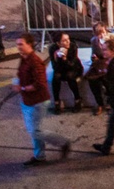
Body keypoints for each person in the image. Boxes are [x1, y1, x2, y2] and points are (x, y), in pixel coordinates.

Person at [14, 33, 73, 166]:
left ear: (29, 44)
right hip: (27, 101)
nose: (18, 47)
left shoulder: (35, 62)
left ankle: (63, 142)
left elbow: (40, 83)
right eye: (17, 44)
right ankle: (39, 156)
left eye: (20, 44)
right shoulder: (24, 58)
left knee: (35, 131)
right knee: (34, 130)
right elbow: (21, 74)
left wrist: (22, 88)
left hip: (37, 101)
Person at [48, 33, 84, 113]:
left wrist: (64, 59)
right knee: (56, 77)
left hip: (73, 68)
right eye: (64, 40)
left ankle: (77, 100)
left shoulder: (73, 47)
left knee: (70, 76)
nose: (68, 42)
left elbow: (73, 65)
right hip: (60, 68)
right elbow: (54, 67)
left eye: (68, 39)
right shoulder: (53, 49)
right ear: (58, 43)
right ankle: (57, 101)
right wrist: (56, 57)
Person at [85, 22, 112, 115]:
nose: (101, 35)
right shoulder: (94, 41)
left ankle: (110, 103)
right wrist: (93, 58)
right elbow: (94, 54)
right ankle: (99, 103)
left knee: (107, 80)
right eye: (98, 33)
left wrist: (108, 44)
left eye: (102, 32)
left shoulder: (111, 39)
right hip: (99, 64)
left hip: (108, 64)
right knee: (92, 80)